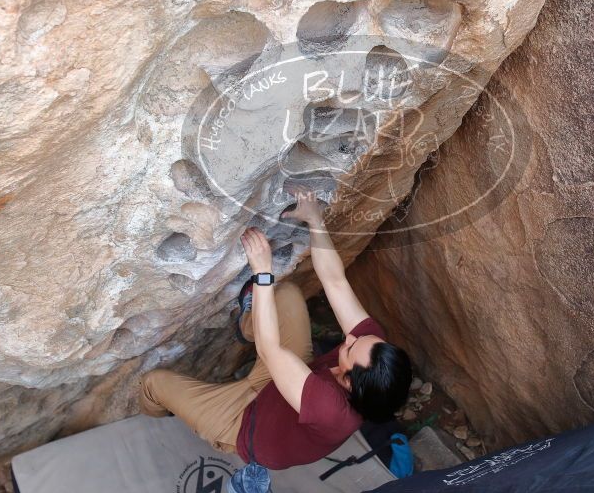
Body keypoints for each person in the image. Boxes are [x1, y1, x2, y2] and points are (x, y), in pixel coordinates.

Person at [139, 190, 412, 469]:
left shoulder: (331, 410)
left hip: (245, 425)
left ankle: (161, 414)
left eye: (350, 348)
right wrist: (315, 221)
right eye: (360, 337)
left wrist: (263, 273)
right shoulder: (371, 348)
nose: (351, 335)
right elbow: (335, 282)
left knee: (152, 382)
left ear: (349, 383)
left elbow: (270, 350)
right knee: (288, 295)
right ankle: (248, 326)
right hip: (283, 380)